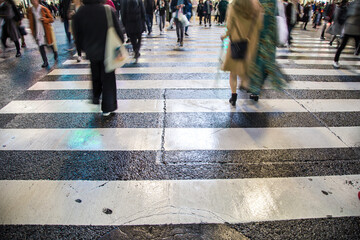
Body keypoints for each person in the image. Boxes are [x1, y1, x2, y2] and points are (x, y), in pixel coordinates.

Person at [72, 0, 124, 116]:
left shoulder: (80, 12)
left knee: (95, 73)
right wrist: (120, 42)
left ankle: (96, 97)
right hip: (107, 50)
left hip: (91, 51)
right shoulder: (107, 10)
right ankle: (107, 106)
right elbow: (118, 31)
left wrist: (82, 49)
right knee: (108, 79)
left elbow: (77, 34)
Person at [220, 0, 263, 106]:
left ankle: (233, 97)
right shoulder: (257, 5)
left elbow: (229, 25)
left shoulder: (233, 5)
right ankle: (251, 88)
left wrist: (225, 35)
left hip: (236, 41)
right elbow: (259, 26)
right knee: (248, 68)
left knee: (233, 72)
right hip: (251, 43)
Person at [247, 0, 288, 101]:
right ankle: (256, 88)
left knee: (259, 64)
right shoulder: (274, 2)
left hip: (260, 37)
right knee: (266, 64)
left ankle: (255, 89)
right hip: (269, 37)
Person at [27, 0, 58, 67]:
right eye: (32, 0)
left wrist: (45, 19)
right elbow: (29, 20)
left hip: (45, 30)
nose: (33, 1)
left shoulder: (44, 9)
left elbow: (51, 19)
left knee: (49, 44)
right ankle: (45, 61)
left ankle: (55, 52)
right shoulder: (30, 10)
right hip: (37, 31)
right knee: (41, 46)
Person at [333, 0, 360, 69]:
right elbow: (352, 13)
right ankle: (335, 60)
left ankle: (356, 52)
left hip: (356, 29)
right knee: (342, 45)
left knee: (357, 45)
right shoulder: (354, 4)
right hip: (350, 28)